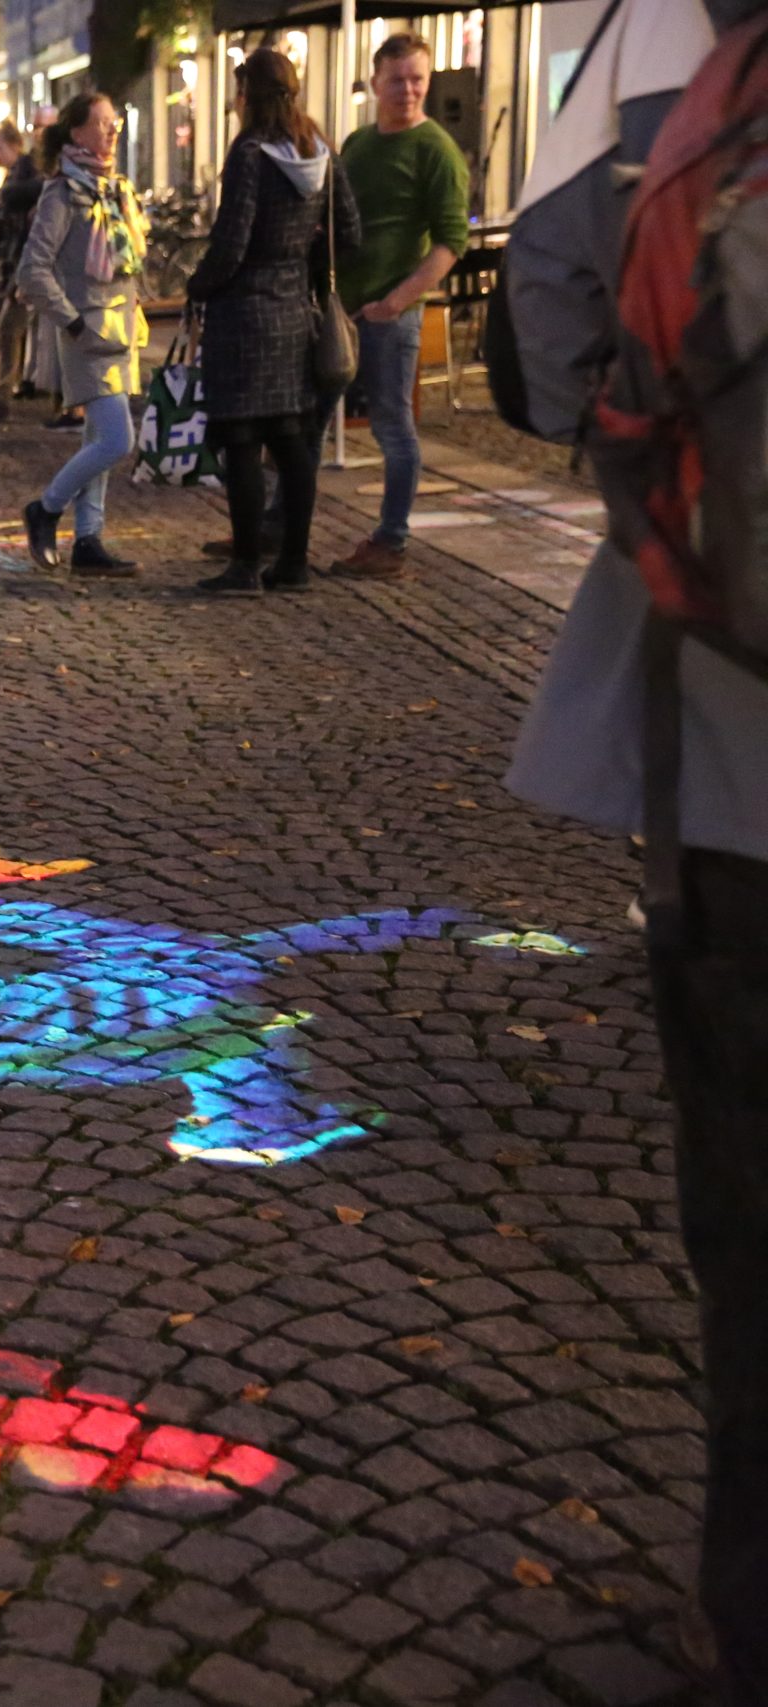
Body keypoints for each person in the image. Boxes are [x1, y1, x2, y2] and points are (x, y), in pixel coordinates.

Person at [503, 0, 767, 1695]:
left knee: (750, 1227)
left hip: (737, 765)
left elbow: (548, 335)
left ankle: (750, 1623)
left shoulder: (673, 92)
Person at [183, 49, 360, 597]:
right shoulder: (319, 149)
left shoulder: (250, 154)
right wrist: (304, 259)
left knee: (241, 441)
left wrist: (198, 285)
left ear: (248, 96)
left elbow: (232, 242)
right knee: (291, 441)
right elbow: (350, 233)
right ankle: (294, 564)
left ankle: (243, 566)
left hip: (244, 316)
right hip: (293, 313)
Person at [331, 34, 469, 581]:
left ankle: (391, 542)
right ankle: (275, 522)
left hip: (391, 314)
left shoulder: (436, 149)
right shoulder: (359, 143)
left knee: (392, 425)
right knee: (308, 414)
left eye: (417, 79)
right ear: (374, 83)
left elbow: (450, 241)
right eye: (397, 79)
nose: (409, 89)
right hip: (342, 311)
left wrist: (397, 301)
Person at [16, 91, 146, 577]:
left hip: (122, 328)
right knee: (117, 439)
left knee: (97, 437)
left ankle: (88, 539)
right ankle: (46, 509)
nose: (113, 131)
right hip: (87, 331)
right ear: (76, 132)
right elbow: (33, 269)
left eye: (116, 123)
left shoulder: (115, 188)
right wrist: (70, 320)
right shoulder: (63, 192)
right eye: (103, 123)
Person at [0, 120, 43, 421]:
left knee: (9, 327)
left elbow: (18, 206)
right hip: (21, 260)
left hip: (25, 262)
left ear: (15, 146)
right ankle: (12, 388)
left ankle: (3, 394)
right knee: (17, 328)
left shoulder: (26, 175)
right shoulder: (17, 176)